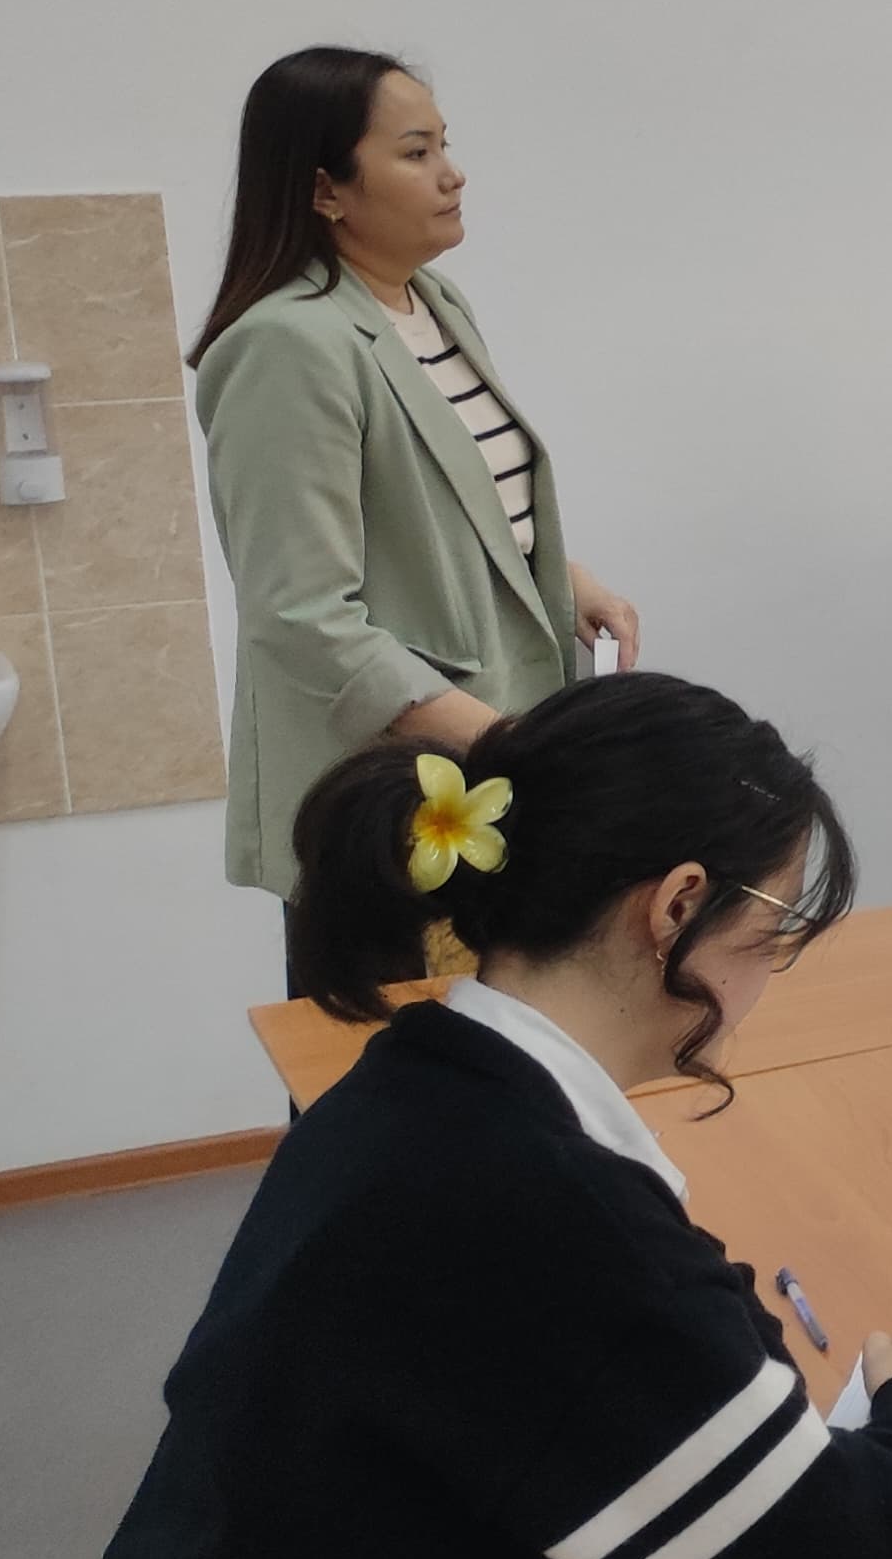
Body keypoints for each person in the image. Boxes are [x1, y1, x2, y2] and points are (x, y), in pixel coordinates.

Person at [65, 674, 892, 1559]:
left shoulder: (420, 1086)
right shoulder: (541, 1204)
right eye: (774, 929)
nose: (772, 974)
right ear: (676, 908)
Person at [188, 48, 642, 913]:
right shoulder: (287, 345)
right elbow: (300, 614)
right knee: (412, 998)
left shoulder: (432, 302)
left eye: (444, 145)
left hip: (498, 758)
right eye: (415, 152)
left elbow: (455, 503)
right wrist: (505, 741)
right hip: (393, 792)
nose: (451, 173)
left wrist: (561, 576)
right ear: (326, 190)